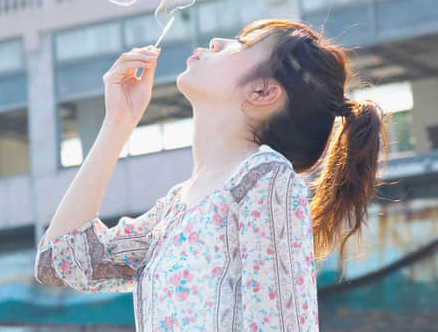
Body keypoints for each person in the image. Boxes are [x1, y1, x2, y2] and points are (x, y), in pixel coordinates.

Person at [34, 18, 389, 332]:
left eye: (243, 46)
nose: (218, 43)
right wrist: (118, 123)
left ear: (263, 92)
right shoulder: (176, 205)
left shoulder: (264, 180)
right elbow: (62, 262)